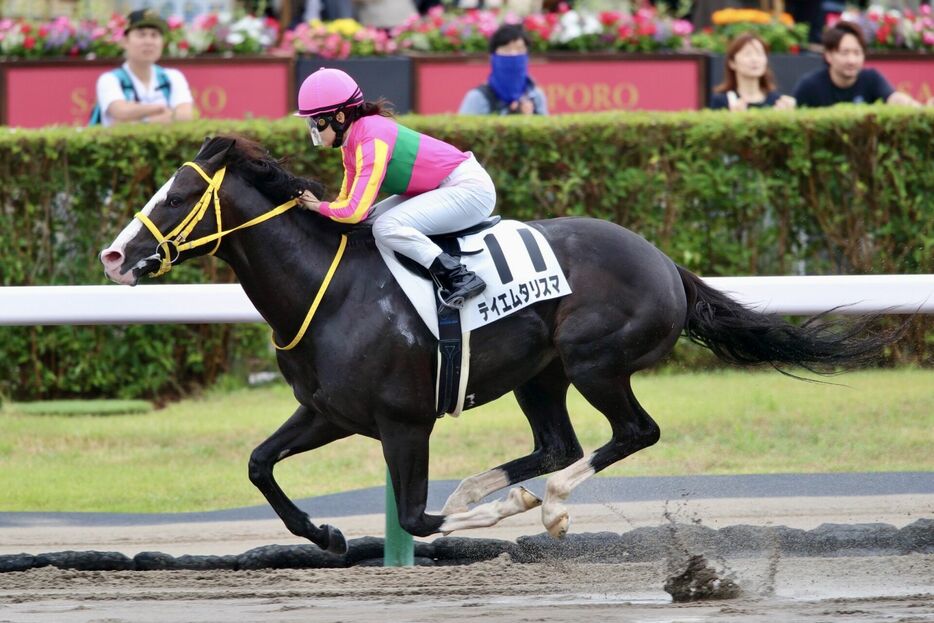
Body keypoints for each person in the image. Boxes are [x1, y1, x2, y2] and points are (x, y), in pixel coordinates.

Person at [295, 68, 495, 309]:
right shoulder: (351, 142)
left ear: (338, 118)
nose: (313, 130)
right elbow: (346, 204)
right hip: (442, 188)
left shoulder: (371, 139)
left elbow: (353, 211)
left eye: (315, 121)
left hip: (470, 190)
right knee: (368, 225)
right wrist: (318, 210)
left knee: (385, 227)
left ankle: (458, 276)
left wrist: (317, 206)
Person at [91, 9, 195, 127]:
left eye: (154, 35)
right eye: (141, 35)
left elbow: (185, 115)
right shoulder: (110, 79)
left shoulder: (173, 77)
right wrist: (160, 110)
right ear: (125, 42)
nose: (148, 41)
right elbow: (120, 111)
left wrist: (135, 119)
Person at [792, 21, 923, 108]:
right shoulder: (810, 86)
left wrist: (916, 108)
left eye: (857, 53)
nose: (851, 60)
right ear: (828, 56)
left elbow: (893, 98)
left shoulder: (872, 79)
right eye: (844, 53)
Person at [458, 24, 548, 116]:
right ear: (492, 57)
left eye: (519, 49)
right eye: (506, 49)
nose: (513, 54)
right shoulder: (477, 98)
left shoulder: (536, 96)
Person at [710, 32, 796, 111]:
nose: (755, 59)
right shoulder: (720, 101)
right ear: (732, 62)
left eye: (759, 54)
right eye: (748, 54)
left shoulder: (778, 102)